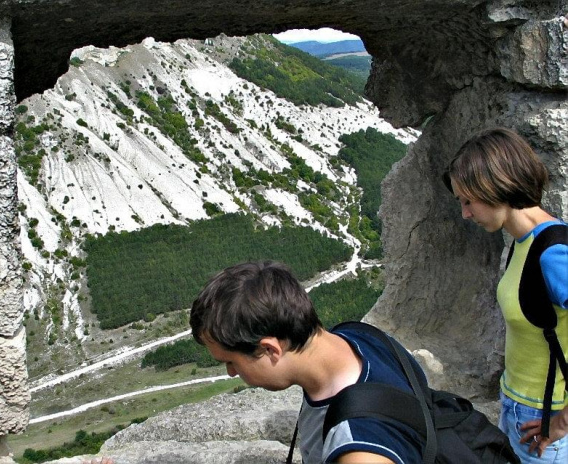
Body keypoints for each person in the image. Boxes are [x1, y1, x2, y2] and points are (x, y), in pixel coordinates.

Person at [190, 260, 425, 463]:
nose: (231, 372)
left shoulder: (360, 446)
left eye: (230, 361)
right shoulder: (360, 336)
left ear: (270, 349)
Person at [443, 127, 568, 462]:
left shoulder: (554, 254)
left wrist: (563, 421)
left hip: (543, 421)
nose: (465, 213)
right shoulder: (522, 243)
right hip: (518, 407)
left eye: (468, 200)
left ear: (496, 185)